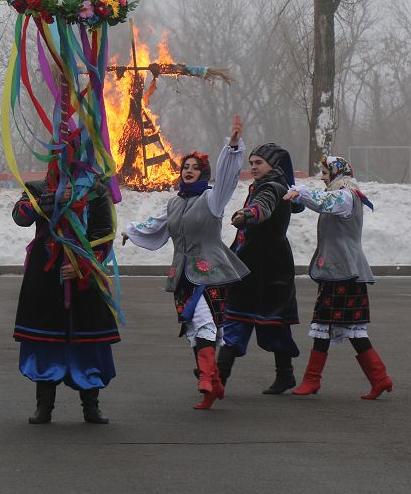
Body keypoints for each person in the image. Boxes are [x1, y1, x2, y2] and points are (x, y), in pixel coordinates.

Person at [122, 116, 247, 409]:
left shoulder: (212, 199)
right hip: (182, 275)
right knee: (195, 327)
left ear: (203, 172)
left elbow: (228, 179)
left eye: (195, 168)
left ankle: (206, 378)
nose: (189, 171)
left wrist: (232, 147)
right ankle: (213, 383)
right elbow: (159, 224)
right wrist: (132, 231)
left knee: (203, 321)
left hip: (211, 272)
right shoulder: (175, 202)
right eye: (185, 167)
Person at [12, 163, 118, 425]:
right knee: (45, 342)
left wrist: (83, 266)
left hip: (84, 278)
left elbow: (104, 234)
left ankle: (91, 405)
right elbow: (20, 215)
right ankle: (44, 406)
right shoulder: (38, 188)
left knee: (88, 341)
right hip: (45, 278)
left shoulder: (96, 190)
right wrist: (57, 198)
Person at [284, 156, 393, 399]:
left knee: (325, 323)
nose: (322, 177)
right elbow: (324, 201)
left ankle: (312, 381)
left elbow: (324, 202)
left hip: (344, 272)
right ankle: (380, 377)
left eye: (325, 172)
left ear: (337, 172)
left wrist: (300, 192)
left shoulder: (345, 195)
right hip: (339, 270)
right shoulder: (343, 194)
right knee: (349, 328)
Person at [218, 143, 303, 394]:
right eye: (252, 163)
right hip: (253, 263)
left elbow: (262, 208)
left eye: (259, 163)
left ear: (273, 166)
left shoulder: (272, 187)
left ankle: (285, 375)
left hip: (271, 267)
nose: (253, 167)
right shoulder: (270, 186)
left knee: (273, 323)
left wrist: (247, 215)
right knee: (236, 319)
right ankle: (218, 378)